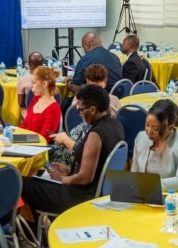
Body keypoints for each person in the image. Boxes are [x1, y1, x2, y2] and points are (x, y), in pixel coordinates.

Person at [21, 84, 124, 215]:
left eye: (81, 110)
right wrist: (68, 171)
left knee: (21, 183)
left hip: (78, 197)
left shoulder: (95, 135)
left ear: (92, 110)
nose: (79, 113)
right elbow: (98, 168)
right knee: (36, 178)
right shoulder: (116, 125)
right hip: (99, 193)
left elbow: (85, 178)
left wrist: (62, 179)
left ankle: (33, 231)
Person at [133, 99, 178, 192]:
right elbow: (134, 175)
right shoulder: (141, 138)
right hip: (142, 197)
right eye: (147, 125)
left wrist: (148, 186)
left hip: (171, 199)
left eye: (155, 128)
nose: (149, 131)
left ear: (170, 127)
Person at [19, 66, 62, 141]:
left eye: (34, 83)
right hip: (26, 142)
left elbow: (44, 138)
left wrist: (22, 139)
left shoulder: (54, 109)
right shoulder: (36, 99)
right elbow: (25, 124)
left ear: (44, 84)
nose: (32, 86)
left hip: (37, 147)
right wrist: (16, 136)